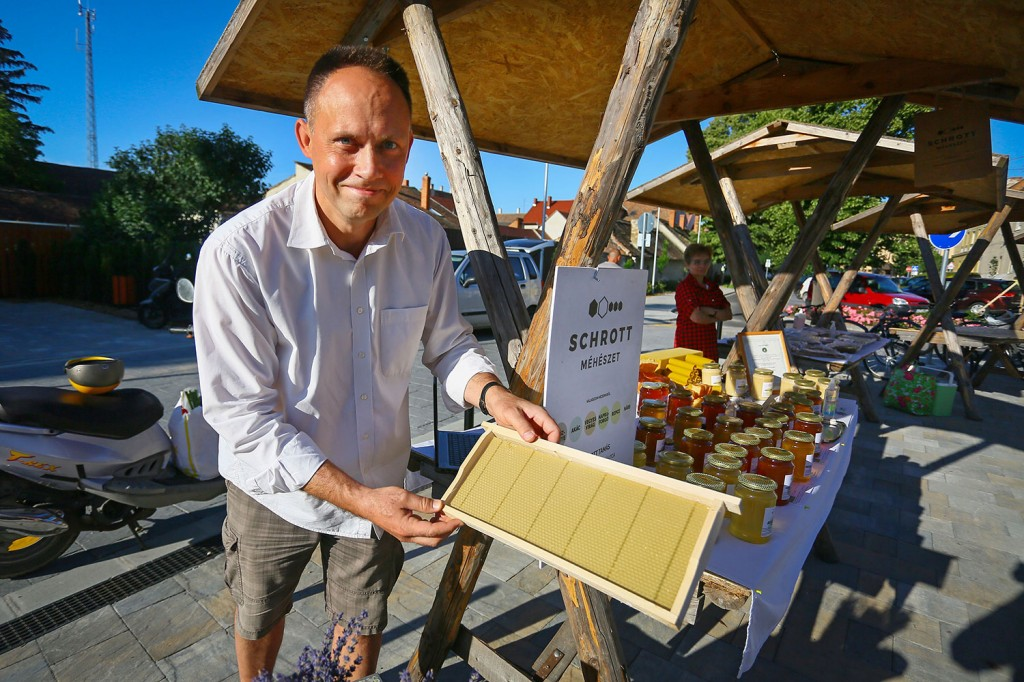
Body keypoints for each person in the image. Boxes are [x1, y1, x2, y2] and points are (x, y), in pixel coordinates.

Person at [192, 45, 559, 681]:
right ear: (306, 138)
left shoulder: (424, 239)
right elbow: (245, 421)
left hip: (381, 478)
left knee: (360, 622)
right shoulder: (240, 253)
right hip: (272, 489)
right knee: (259, 613)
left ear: (409, 147)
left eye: (389, 145)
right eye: (347, 142)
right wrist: (361, 499)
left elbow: (447, 344)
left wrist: (494, 395)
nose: (370, 167)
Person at [674, 243, 732, 360]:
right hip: (688, 346)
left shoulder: (712, 287)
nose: (702, 266)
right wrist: (717, 315)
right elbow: (697, 318)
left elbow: (728, 314)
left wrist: (708, 311)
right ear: (687, 264)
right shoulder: (685, 287)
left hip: (709, 345)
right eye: (697, 262)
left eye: (706, 262)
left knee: (710, 372)